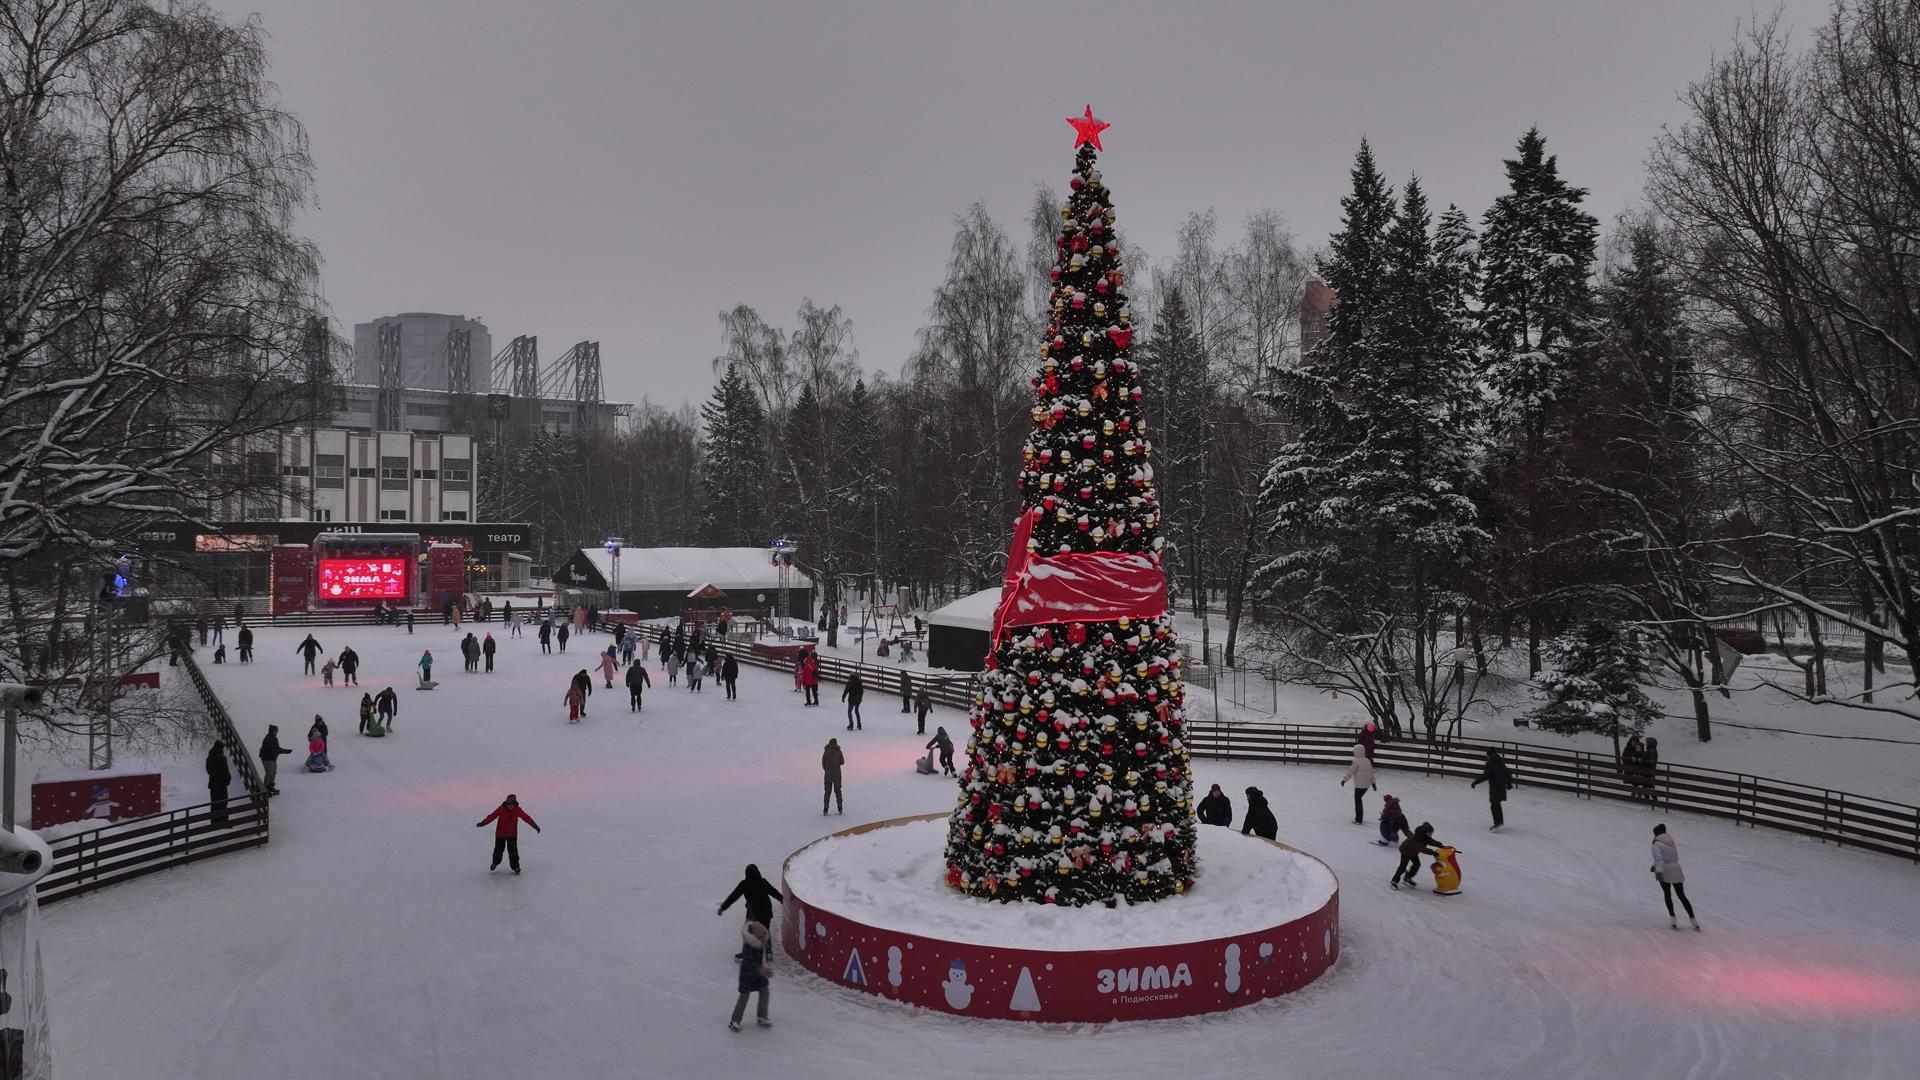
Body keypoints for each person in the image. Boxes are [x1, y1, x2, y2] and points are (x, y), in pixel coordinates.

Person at [718, 864, 784, 954]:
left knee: (747, 931)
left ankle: (746, 952)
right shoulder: (762, 881)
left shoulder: (744, 884)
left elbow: (733, 897)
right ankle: (768, 952)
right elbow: (773, 892)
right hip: (766, 910)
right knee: (765, 931)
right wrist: (782, 899)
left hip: (753, 912)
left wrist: (723, 907)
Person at [1650, 823, 1699, 930]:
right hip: (1676, 869)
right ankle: (1693, 920)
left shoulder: (1656, 844)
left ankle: (1673, 920)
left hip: (1665, 872)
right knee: (1681, 895)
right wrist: (1655, 866)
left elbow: (1660, 859)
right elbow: (1671, 857)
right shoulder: (1670, 842)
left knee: (1667, 894)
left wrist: (1658, 871)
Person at [477, 794, 540, 874]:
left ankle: (516, 867)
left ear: (515, 804)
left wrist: (535, 826)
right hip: (500, 834)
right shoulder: (501, 809)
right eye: (509, 804)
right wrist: (483, 823)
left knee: (513, 851)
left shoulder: (518, 810)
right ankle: (495, 863)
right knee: (498, 850)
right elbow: (492, 816)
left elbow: (526, 818)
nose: (510, 806)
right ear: (506, 803)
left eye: (512, 804)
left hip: (512, 835)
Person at [728, 921, 773, 1032]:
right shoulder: (749, 946)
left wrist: (768, 957)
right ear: (755, 938)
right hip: (747, 973)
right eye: (761, 939)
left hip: (759, 973)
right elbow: (749, 961)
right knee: (744, 995)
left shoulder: (761, 940)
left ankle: (762, 1016)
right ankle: (735, 1020)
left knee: (764, 991)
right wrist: (761, 969)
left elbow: (767, 946)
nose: (763, 941)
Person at [1392, 822, 1447, 890]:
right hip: (1405, 851)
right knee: (1402, 867)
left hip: (1413, 852)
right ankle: (1394, 881)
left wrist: (1441, 846)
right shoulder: (1417, 839)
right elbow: (1423, 849)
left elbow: (1432, 842)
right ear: (1425, 832)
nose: (1431, 834)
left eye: (1431, 833)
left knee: (1417, 864)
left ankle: (1407, 878)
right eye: (1430, 833)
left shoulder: (1425, 837)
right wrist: (1433, 853)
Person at [1470, 748, 1514, 830]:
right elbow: (1507, 773)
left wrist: (1475, 782)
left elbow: (1485, 775)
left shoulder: (1490, 763)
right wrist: (1508, 783)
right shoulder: (1501, 762)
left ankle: (1497, 823)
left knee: (1494, 805)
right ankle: (1499, 822)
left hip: (1495, 786)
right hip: (1501, 786)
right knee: (1497, 804)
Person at [1340, 741, 1376, 824]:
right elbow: (1371, 772)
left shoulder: (1356, 761)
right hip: (1366, 786)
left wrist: (1344, 780)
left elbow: (1350, 772)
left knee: (1358, 801)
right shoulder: (1367, 760)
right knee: (1359, 799)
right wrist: (1373, 783)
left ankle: (1358, 819)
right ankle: (1359, 818)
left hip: (1359, 786)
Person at [258, 725, 292, 796]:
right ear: (273, 731)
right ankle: (266, 789)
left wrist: (285, 751)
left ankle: (271, 786)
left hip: (273, 758)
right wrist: (285, 751)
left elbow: (277, 748)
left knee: (273, 773)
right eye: (276, 731)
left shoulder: (274, 738)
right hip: (267, 759)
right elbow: (274, 750)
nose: (277, 732)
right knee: (269, 773)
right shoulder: (268, 739)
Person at [206, 740, 231, 827]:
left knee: (214, 803)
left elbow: (210, 771)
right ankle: (223, 822)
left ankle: (214, 822)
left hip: (213, 785)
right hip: (222, 784)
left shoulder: (209, 758)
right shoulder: (222, 758)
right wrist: (227, 780)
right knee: (223, 803)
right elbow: (226, 772)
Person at [821, 737, 844, 814]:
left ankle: (825, 807)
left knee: (827, 792)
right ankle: (840, 806)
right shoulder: (838, 752)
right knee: (838, 791)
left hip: (828, 774)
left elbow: (823, 764)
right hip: (837, 775)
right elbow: (842, 762)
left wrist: (827, 769)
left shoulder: (826, 752)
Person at [1621, 735, 1648, 801]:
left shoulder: (1638, 749)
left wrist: (1639, 760)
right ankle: (1636, 792)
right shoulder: (1627, 748)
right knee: (1635, 779)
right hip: (1630, 768)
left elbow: (1643, 756)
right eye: (1632, 741)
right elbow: (1624, 757)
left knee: (1638, 779)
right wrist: (1631, 759)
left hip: (1638, 769)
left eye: (1635, 742)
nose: (1633, 743)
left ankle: (1638, 793)